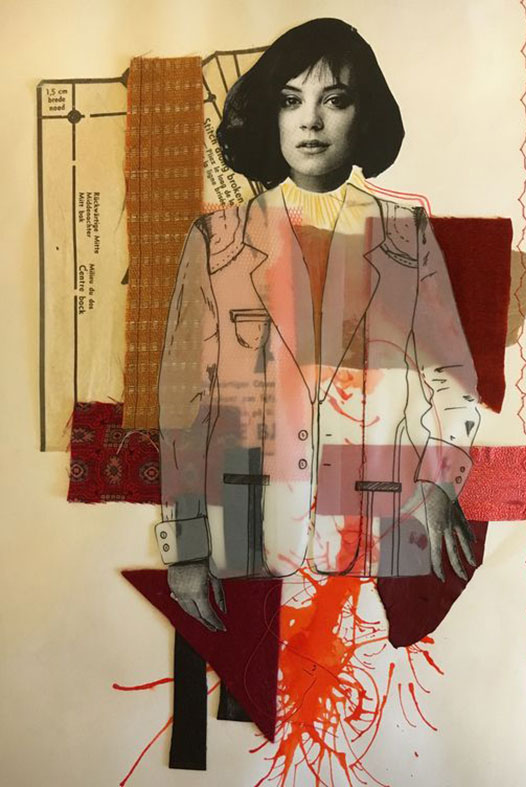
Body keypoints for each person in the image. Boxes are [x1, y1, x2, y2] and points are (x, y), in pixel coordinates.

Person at [156, 18, 480, 630]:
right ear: (270, 115)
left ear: (364, 114)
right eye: (290, 101)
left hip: (378, 533)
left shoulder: (404, 234)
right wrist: (185, 546)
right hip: (244, 534)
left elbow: (449, 376)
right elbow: (184, 403)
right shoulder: (217, 240)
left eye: (334, 100)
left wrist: (441, 484)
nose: (310, 121)